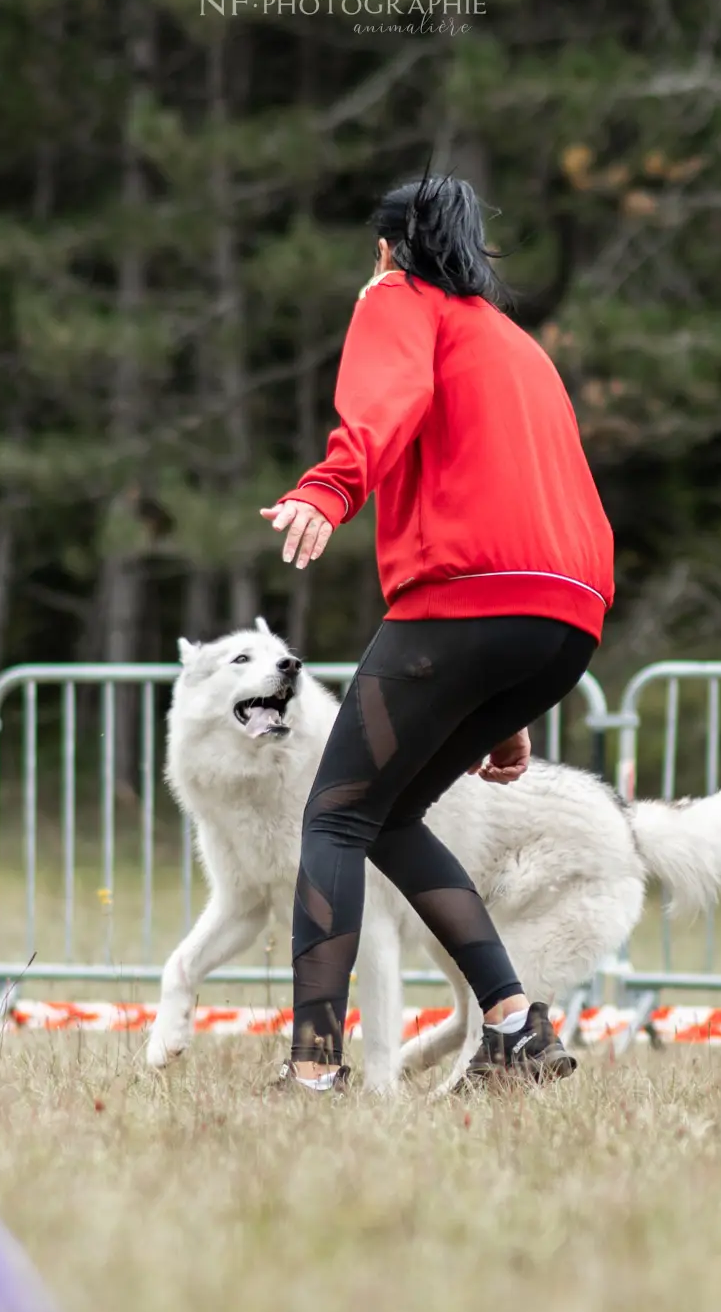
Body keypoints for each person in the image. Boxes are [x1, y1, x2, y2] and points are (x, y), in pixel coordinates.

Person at [263, 173, 616, 1093]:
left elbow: (385, 401)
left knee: (335, 816)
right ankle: (514, 1025)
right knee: (390, 815)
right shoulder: (517, 346)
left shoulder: (397, 296)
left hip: (467, 601)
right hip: (567, 616)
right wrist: (505, 702)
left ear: (387, 250)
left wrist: (329, 489)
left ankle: (311, 1070)